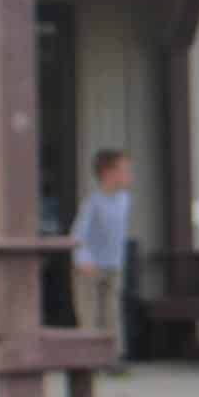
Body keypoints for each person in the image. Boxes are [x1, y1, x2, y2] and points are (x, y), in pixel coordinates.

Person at [71, 149, 134, 371]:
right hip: (90, 266)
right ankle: (89, 358)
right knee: (90, 313)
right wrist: (83, 259)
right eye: (124, 170)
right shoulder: (93, 203)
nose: (129, 175)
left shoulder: (125, 200)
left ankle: (113, 357)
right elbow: (78, 235)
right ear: (108, 173)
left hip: (113, 264)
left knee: (112, 311)